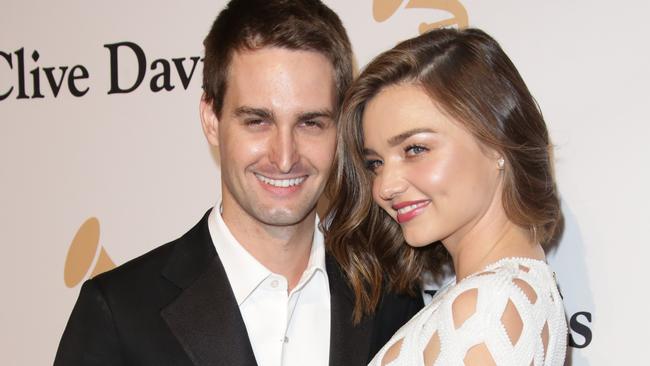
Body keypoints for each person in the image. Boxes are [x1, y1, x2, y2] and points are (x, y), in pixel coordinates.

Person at [54, 1, 423, 365]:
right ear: (212, 120)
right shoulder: (120, 313)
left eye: (310, 123)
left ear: (339, 129)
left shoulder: (389, 298)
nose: (284, 157)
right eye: (257, 121)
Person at [325, 28, 568, 365]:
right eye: (375, 163)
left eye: (415, 149)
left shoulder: (487, 306)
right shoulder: (501, 291)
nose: (384, 186)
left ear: (496, 142)